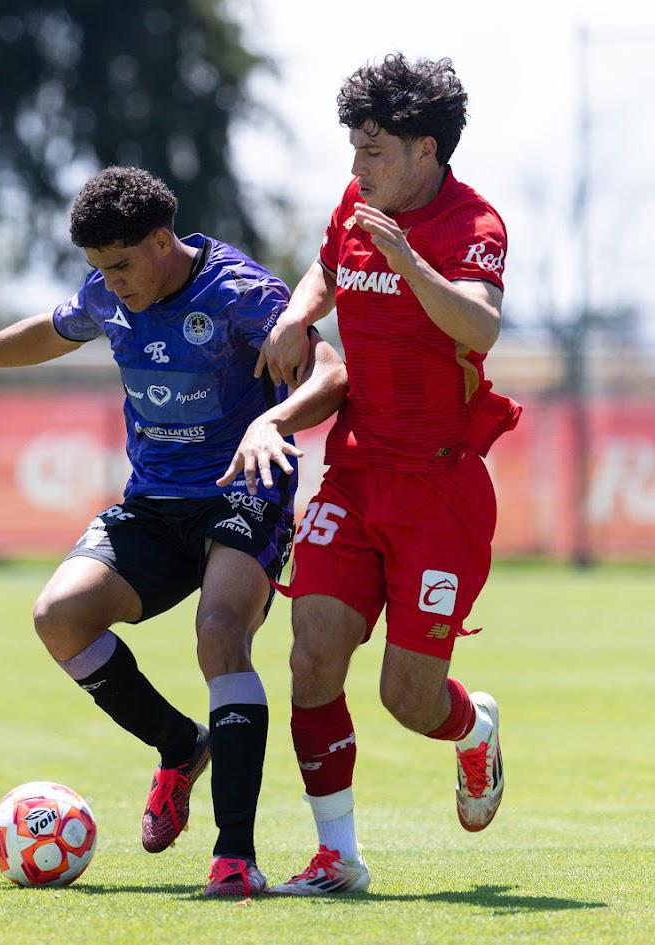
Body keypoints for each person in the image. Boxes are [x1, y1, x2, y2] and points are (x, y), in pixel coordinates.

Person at [0, 167, 347, 897]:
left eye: (123, 264)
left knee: (220, 631)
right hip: (155, 502)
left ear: (163, 241)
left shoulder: (240, 292)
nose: (112, 283)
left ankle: (234, 856)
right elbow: (51, 331)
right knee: (58, 616)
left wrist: (272, 418)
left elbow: (331, 375)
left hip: (242, 490)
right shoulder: (108, 290)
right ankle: (178, 744)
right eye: (99, 269)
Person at [255, 54, 522, 895]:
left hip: (440, 492)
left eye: (373, 152)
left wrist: (409, 263)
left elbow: (479, 327)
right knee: (310, 657)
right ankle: (338, 855)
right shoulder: (357, 205)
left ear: (425, 152)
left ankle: (472, 727)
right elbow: (327, 269)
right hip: (357, 471)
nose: (356, 168)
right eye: (354, 150)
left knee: (410, 697)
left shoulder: (473, 225)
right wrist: (299, 315)